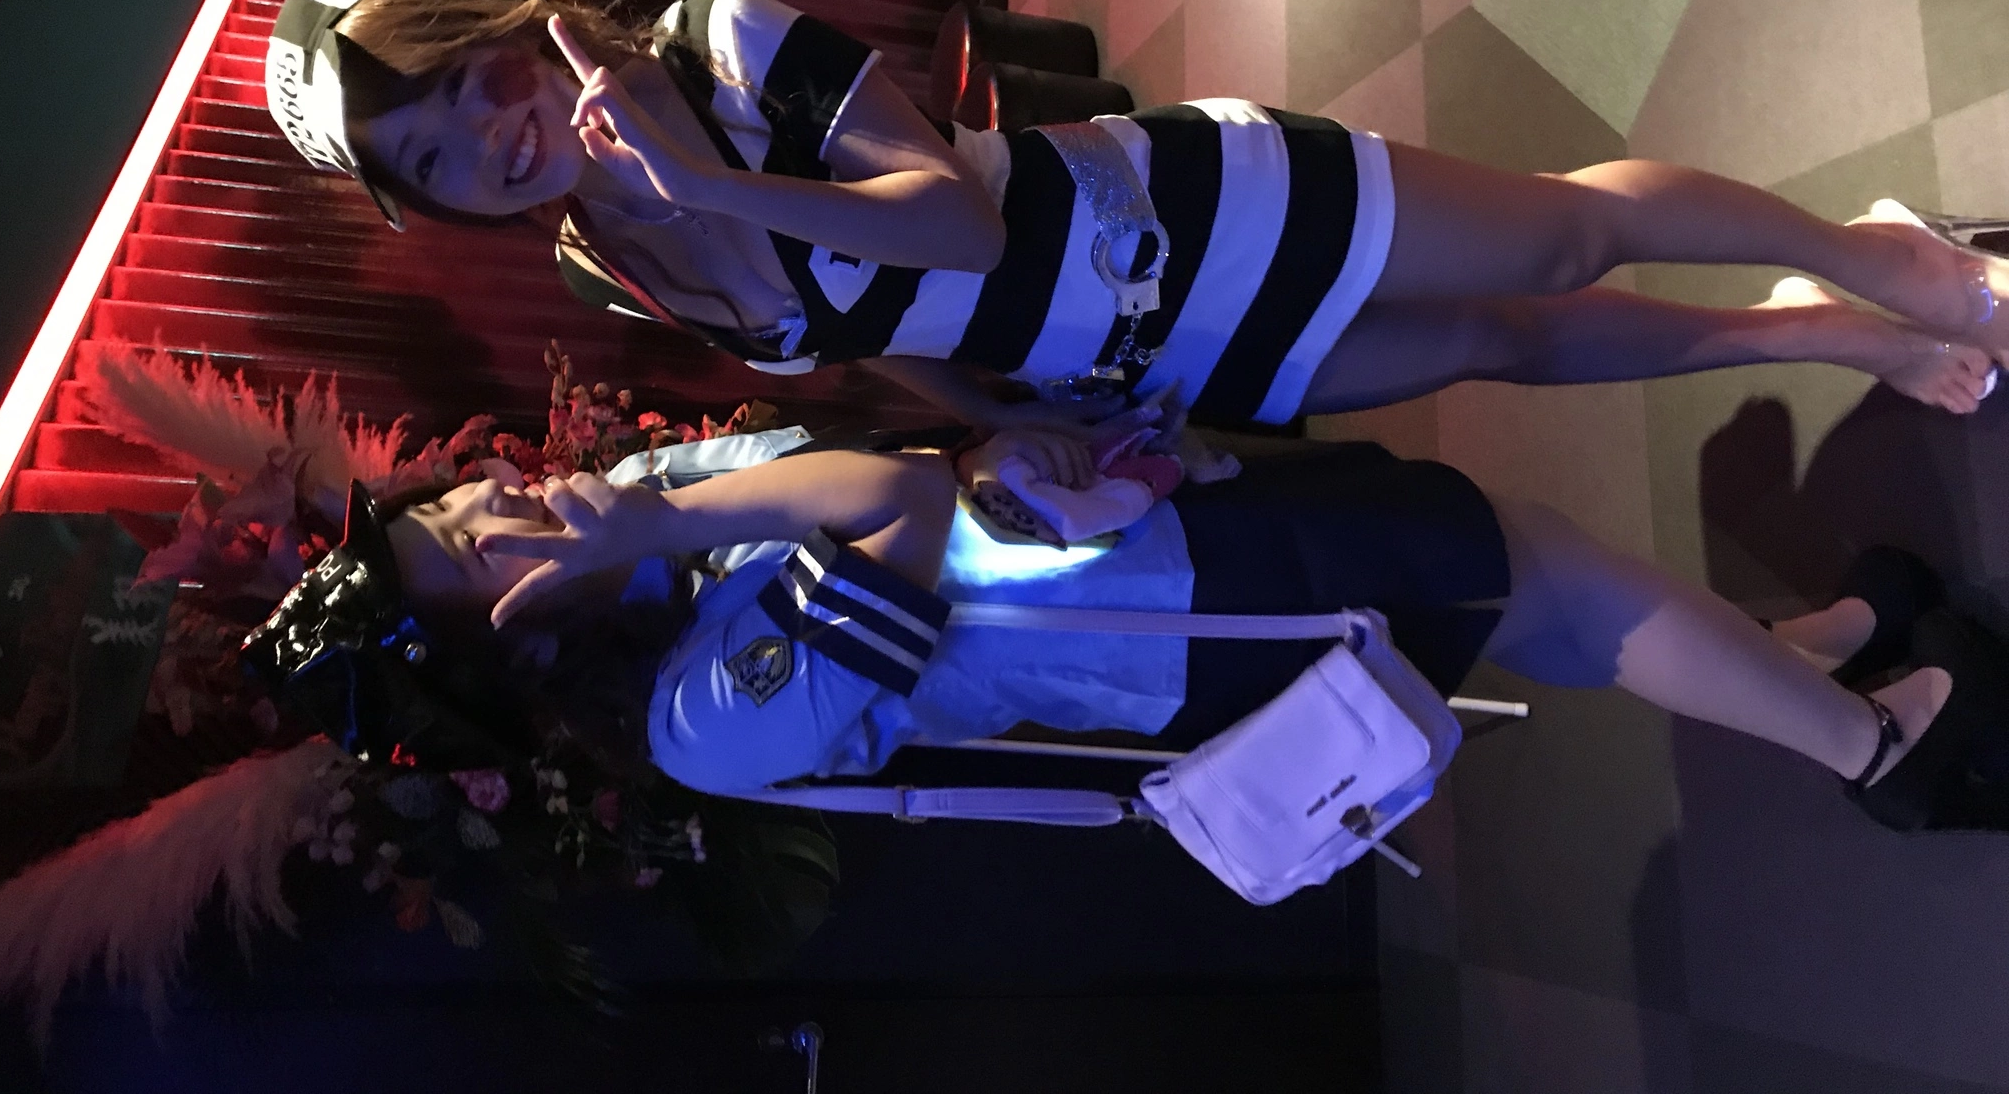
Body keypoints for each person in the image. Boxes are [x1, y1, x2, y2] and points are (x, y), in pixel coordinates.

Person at [263, 0, 2006, 430]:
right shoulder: (601, 258)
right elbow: (868, 338)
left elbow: (953, 219)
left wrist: (716, 189)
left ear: (499, 14)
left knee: (1562, 234)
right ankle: (1819, 331)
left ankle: (1883, 259)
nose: (488, 147)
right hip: (1142, 361)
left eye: (467, 85)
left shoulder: (717, 46)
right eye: (437, 167)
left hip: (1189, 212)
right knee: (1502, 343)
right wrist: (1015, 422)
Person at [371, 427, 2008, 836]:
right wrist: (662, 522)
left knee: (1516, 568)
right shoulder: (691, 720)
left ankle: (1804, 657)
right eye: (473, 549)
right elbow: (890, 507)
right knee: (1530, 570)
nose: (504, 501)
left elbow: (896, 463)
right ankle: (1880, 751)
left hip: (1151, 546)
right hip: (1183, 627)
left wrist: (662, 511)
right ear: (513, 646)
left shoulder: (656, 510)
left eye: (463, 498)